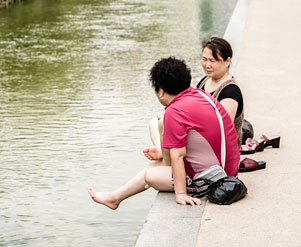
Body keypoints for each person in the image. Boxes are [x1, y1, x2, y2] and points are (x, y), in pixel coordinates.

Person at [88, 57, 240, 208]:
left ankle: (116, 197)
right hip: (228, 167)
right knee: (157, 122)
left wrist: (180, 193)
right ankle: (116, 196)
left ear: (160, 91)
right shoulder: (200, 94)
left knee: (151, 174)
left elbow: (178, 156)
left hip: (215, 179)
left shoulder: (175, 112)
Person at [196, 37, 244, 146]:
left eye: (213, 61)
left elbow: (221, 128)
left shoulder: (230, 91)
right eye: (204, 59)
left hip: (221, 150)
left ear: (227, 61)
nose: (207, 65)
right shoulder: (204, 81)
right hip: (202, 140)